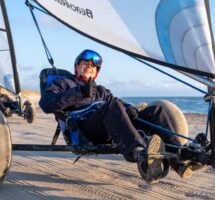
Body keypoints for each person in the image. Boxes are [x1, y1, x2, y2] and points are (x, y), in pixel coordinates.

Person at [39, 49, 194, 183]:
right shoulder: (62, 83)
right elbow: (47, 104)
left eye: (93, 66)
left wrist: (131, 110)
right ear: (76, 66)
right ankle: (140, 156)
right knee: (111, 106)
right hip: (84, 129)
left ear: (96, 72)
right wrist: (80, 92)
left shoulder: (101, 91)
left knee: (155, 112)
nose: (89, 67)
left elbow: (119, 103)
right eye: (85, 64)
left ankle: (179, 158)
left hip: (111, 127)